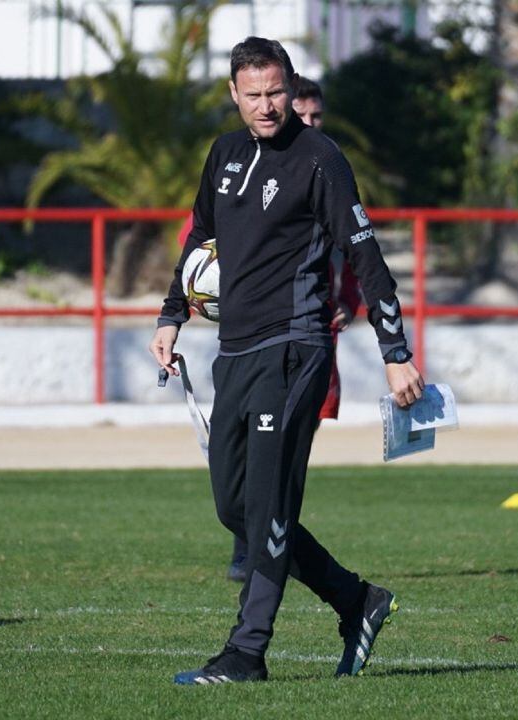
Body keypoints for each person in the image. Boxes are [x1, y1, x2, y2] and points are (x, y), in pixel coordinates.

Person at [149, 37, 423, 684]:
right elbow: (200, 242)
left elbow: (365, 257)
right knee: (234, 507)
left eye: (276, 92)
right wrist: (171, 314)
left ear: (290, 86)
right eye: (254, 95)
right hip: (234, 351)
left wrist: (396, 353)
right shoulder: (223, 153)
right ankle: (356, 600)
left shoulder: (320, 159)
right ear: (234, 95)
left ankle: (247, 652)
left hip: (296, 349)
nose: (267, 106)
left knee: (269, 503)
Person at [221, 74, 361, 582]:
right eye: (302, 111)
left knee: (289, 452)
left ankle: (265, 549)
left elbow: (354, 247)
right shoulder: (243, 166)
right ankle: (257, 545)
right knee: (260, 469)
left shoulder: (325, 164)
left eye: (318, 115)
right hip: (259, 339)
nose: (309, 122)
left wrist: (350, 301)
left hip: (310, 337)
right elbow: (211, 240)